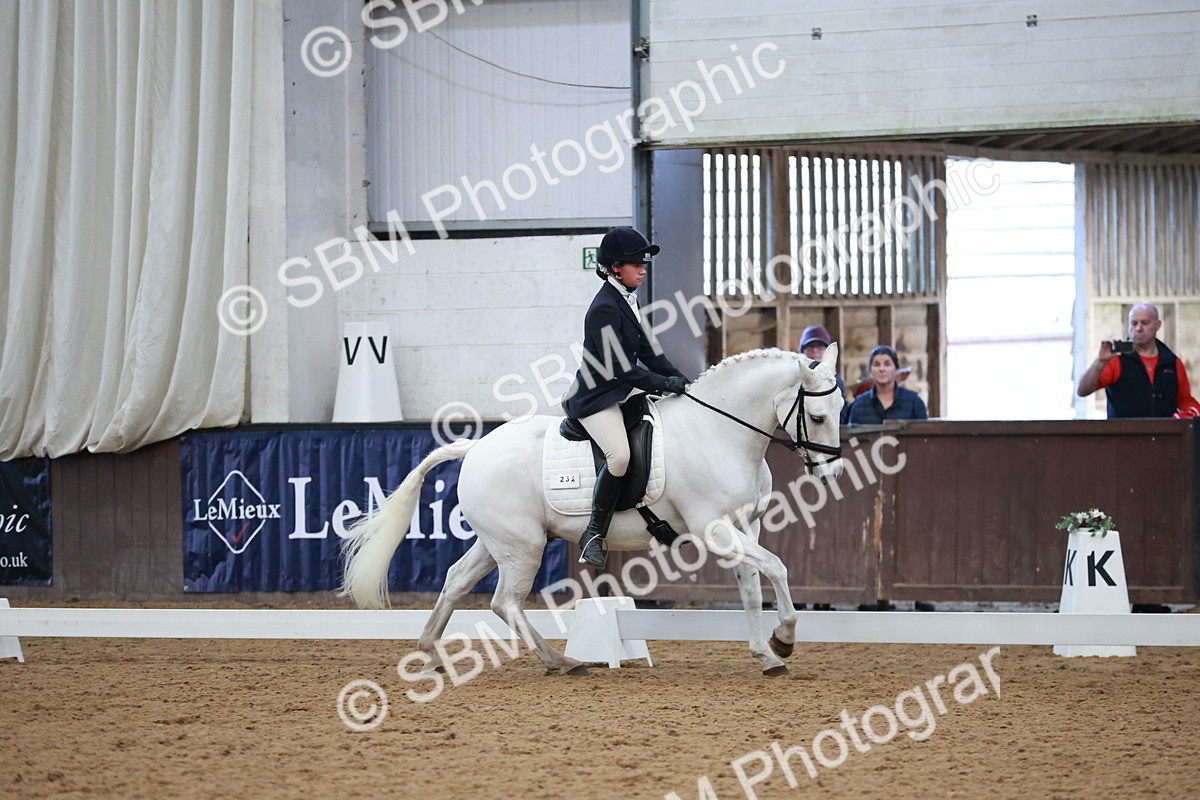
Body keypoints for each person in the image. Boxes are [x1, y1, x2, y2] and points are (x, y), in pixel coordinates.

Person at [563, 227, 690, 567]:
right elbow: (620, 368)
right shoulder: (604, 308)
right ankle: (593, 532)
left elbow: (650, 354)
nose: (644, 269)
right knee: (619, 456)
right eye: (637, 264)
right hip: (597, 398)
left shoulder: (627, 299)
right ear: (616, 266)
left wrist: (684, 382)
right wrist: (664, 383)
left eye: (644, 263)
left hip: (622, 393)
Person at [1076, 302, 1196, 418]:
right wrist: (1100, 362)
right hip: (1123, 436)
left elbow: (1185, 400)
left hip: (1164, 436)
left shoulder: (1172, 363)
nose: (1138, 328)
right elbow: (1082, 391)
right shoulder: (1116, 359)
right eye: (1134, 323)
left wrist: (1181, 417)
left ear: (1157, 325)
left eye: (1145, 323)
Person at [846, 345, 929, 424]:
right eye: (877, 365)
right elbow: (852, 438)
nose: (882, 369)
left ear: (896, 369)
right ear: (870, 371)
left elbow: (924, 436)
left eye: (887, 364)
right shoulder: (859, 405)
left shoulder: (914, 403)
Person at [798, 324, 851, 424]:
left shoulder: (835, 380)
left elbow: (841, 414)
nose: (815, 351)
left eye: (820, 347)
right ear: (802, 352)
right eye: (810, 347)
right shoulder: (795, 379)